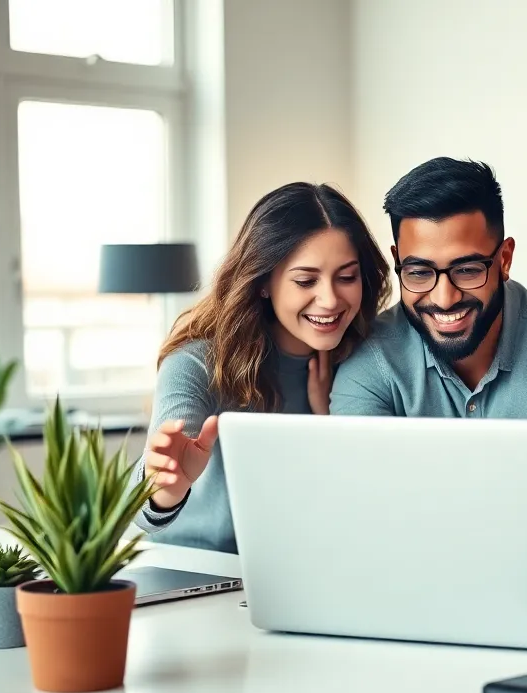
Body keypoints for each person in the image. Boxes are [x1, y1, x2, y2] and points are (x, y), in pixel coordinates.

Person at [329, 157, 527, 564]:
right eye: (419, 273)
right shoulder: (370, 355)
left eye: (468, 269)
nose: (444, 298)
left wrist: (507, 564)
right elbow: (362, 498)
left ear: (504, 259)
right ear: (398, 260)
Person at [136, 182, 392, 552]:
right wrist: (165, 490)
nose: (330, 299)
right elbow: (142, 503)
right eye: (306, 280)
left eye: (347, 277)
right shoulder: (196, 363)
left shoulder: (362, 363)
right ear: (263, 283)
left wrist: (330, 421)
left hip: (299, 566)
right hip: (194, 567)